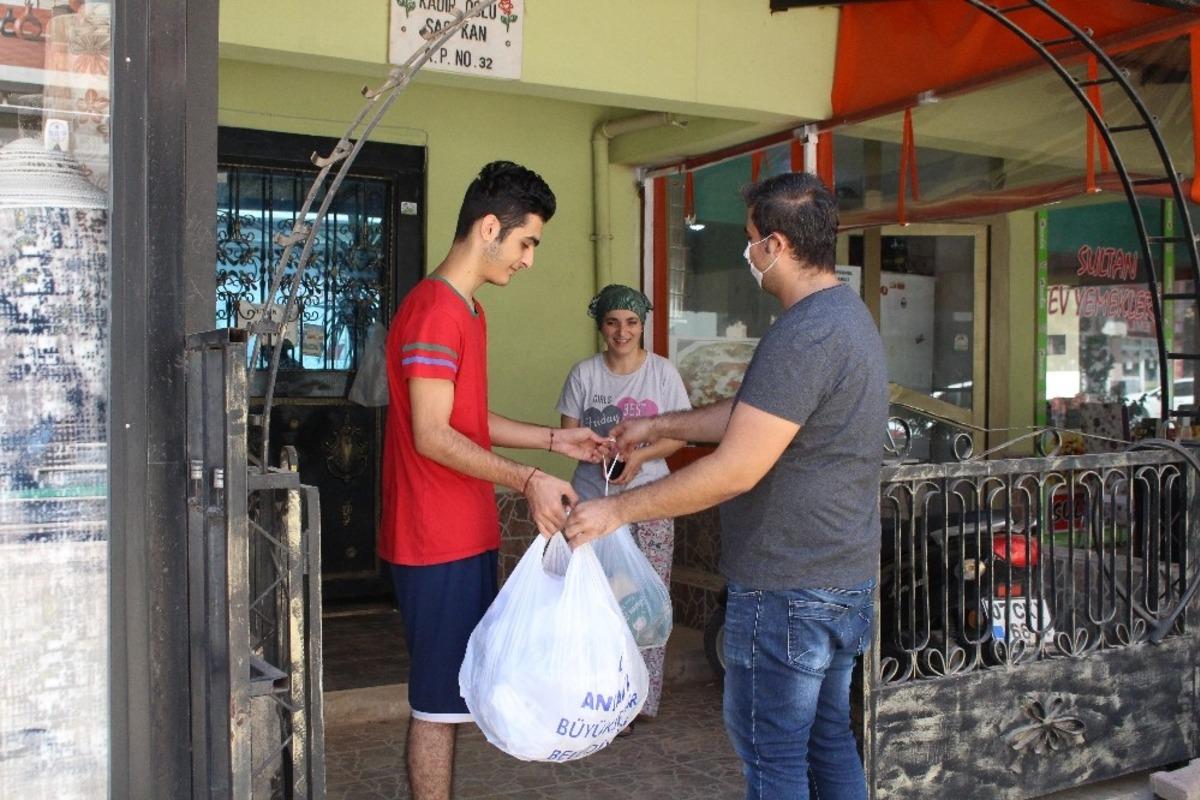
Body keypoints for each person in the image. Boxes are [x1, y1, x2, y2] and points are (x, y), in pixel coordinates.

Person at [564, 172, 888, 800]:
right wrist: (660, 423)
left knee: (774, 758)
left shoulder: (805, 332)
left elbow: (738, 466)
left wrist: (616, 512)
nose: (748, 255)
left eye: (748, 242)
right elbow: (757, 416)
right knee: (826, 740)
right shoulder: (846, 317)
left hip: (788, 586)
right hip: (838, 577)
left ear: (776, 245)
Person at [380, 160, 606, 800]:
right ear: (488, 228)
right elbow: (432, 433)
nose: (529, 259)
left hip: (462, 532)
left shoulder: (467, 311)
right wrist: (527, 478)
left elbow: (466, 420)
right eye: (526, 241)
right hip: (433, 537)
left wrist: (555, 439)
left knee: (455, 698)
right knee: (437, 704)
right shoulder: (434, 312)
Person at [556, 283, 691, 726]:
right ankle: (598, 694)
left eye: (631, 322)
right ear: (601, 326)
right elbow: (567, 438)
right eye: (613, 322)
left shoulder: (663, 373)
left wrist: (641, 456)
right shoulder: (584, 374)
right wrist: (597, 453)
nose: (622, 331)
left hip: (651, 503)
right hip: (595, 505)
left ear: (643, 326)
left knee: (644, 603)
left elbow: (680, 434)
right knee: (595, 602)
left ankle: (639, 702)